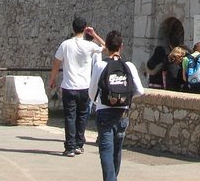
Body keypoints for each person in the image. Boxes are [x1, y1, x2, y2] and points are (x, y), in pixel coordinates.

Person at [89, 29, 145, 181]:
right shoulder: (129, 66)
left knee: (106, 150)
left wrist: (100, 102)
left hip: (104, 112)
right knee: (117, 150)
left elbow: (92, 91)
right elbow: (139, 91)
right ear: (122, 46)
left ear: (106, 46)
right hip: (122, 113)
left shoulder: (100, 65)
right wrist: (124, 98)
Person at [48, 17, 105, 157]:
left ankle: (70, 147)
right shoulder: (90, 46)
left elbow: (56, 63)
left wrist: (52, 79)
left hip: (69, 86)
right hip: (84, 86)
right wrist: (94, 35)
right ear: (85, 28)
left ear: (72, 28)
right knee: (82, 116)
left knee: (70, 116)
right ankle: (79, 144)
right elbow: (107, 47)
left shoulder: (65, 45)